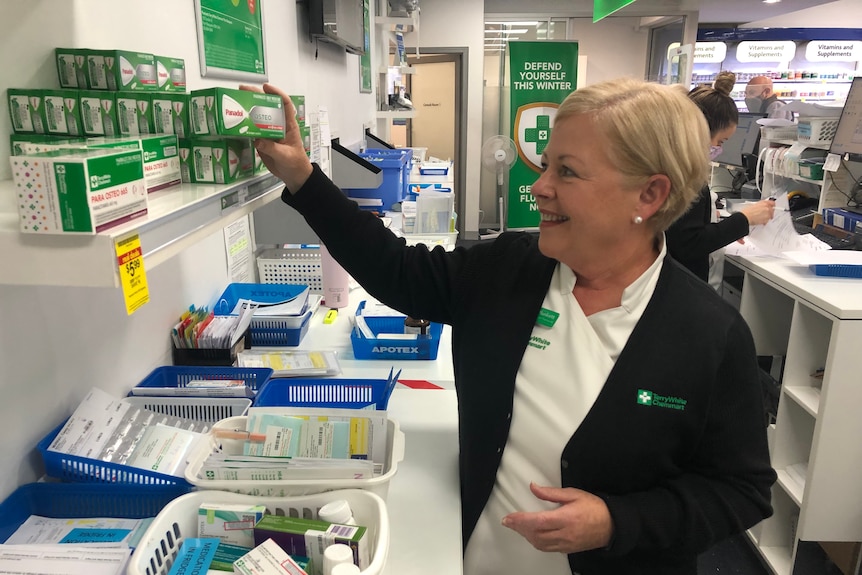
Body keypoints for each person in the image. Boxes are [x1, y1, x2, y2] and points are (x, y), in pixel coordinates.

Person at [244, 78, 776, 575]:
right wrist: (302, 176)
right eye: (545, 166)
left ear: (649, 196)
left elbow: (740, 489)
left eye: (566, 171)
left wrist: (618, 522)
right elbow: (397, 269)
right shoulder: (509, 270)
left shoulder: (709, 334)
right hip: (481, 555)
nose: (539, 188)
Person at [667, 71, 776, 283]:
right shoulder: (686, 176)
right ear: (700, 131)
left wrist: (725, 228)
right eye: (721, 141)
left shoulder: (675, 165)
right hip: (681, 281)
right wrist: (743, 220)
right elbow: (689, 244)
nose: (718, 148)